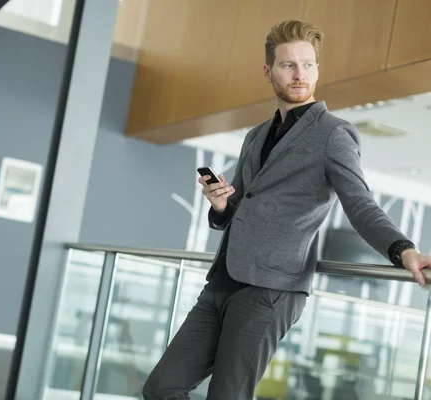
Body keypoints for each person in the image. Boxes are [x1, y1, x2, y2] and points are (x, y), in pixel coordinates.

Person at [142, 19, 431, 400]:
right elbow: (238, 206)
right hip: (222, 282)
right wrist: (220, 206)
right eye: (288, 65)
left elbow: (360, 203)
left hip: (271, 291)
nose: (300, 74)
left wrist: (402, 249)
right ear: (268, 71)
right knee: (161, 387)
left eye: (308, 64)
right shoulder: (255, 135)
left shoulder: (334, 133)